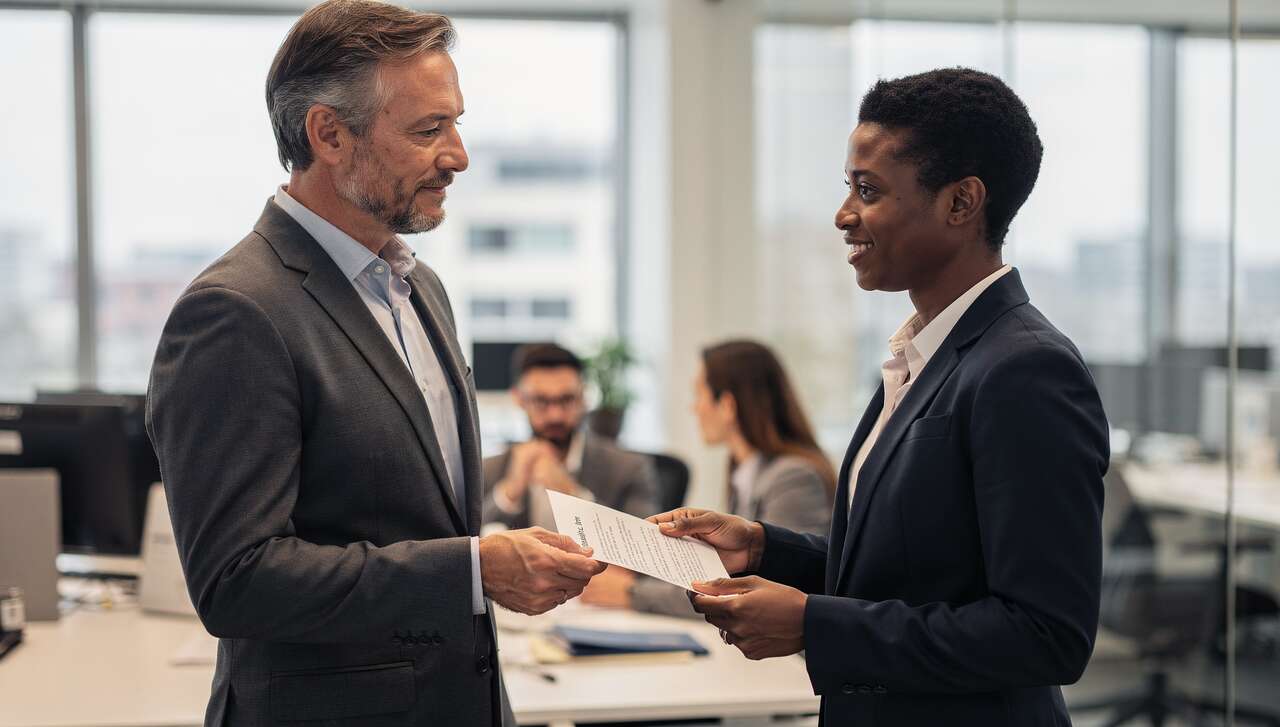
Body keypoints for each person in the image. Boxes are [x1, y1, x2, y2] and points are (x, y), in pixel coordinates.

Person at [146, 3, 603, 725]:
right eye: (428, 130)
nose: (458, 155)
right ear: (328, 133)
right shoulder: (236, 312)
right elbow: (236, 581)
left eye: (456, 123)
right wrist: (474, 569)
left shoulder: (421, 289)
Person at [653, 68, 1109, 727]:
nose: (843, 215)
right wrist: (760, 547)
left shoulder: (1026, 368)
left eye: (867, 191)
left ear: (961, 203)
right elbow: (906, 571)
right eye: (848, 187)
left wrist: (816, 625)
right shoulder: (920, 356)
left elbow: (1046, 633)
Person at [582, 339, 834, 616]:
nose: (695, 408)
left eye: (698, 395)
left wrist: (632, 593)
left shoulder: (792, 477)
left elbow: (759, 590)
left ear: (726, 405)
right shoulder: (747, 473)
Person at [481, 342, 659, 531]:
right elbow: (469, 541)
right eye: (541, 401)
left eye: (566, 400)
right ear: (519, 399)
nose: (555, 415)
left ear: (583, 397)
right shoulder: (490, 469)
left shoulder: (628, 468)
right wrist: (509, 492)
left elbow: (645, 541)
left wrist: (571, 494)